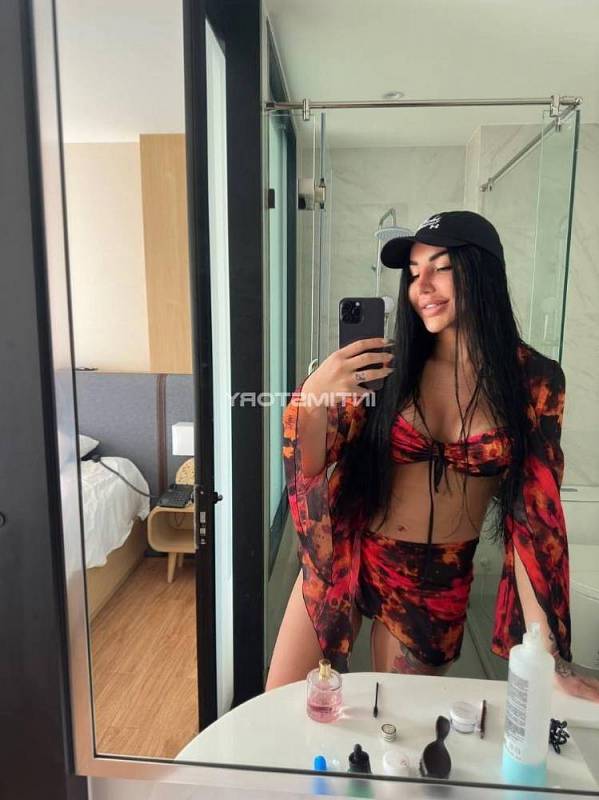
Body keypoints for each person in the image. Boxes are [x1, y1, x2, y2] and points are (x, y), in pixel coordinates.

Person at [267, 210, 599, 702]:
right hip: (347, 552)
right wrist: (313, 395)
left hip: (434, 580)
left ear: (482, 272)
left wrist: (548, 655)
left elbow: (534, 518)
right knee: (283, 704)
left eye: (440, 268)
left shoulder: (534, 381)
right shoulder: (386, 367)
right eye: (413, 272)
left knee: (395, 720)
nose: (421, 285)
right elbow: (308, 465)